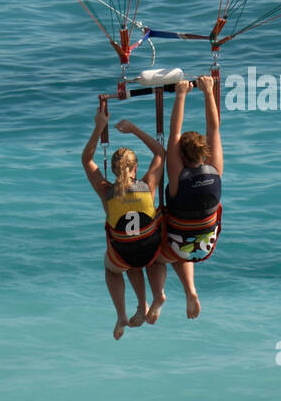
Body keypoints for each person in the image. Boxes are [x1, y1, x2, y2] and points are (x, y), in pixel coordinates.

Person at [82, 106, 167, 339]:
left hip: (124, 255)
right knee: (142, 250)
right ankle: (155, 295)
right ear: (135, 168)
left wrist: (100, 127)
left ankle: (123, 313)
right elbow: (161, 153)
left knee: (114, 268)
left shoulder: (106, 191)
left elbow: (86, 159)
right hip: (150, 251)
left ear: (112, 169)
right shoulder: (148, 186)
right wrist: (134, 129)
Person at [161, 75, 224, 319]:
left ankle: (176, 293)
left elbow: (173, 134)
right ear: (203, 153)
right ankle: (191, 291)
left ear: (181, 157)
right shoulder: (215, 170)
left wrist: (180, 95)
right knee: (186, 240)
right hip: (207, 242)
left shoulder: (178, 177)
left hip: (179, 243)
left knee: (159, 259)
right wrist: (208, 91)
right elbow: (214, 129)